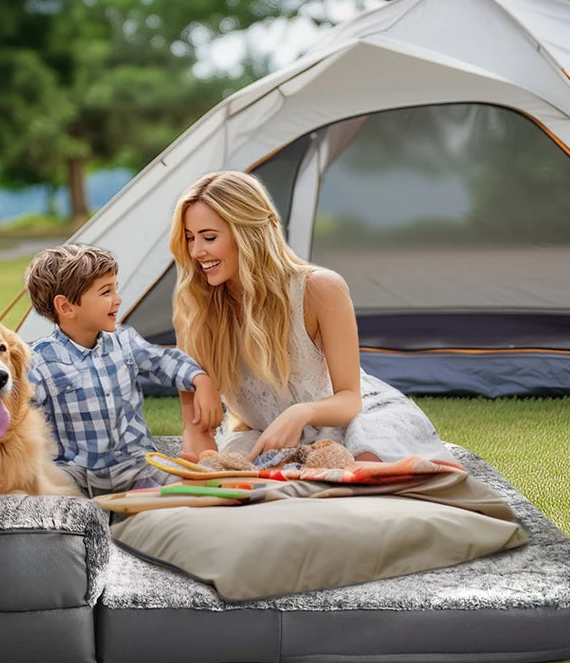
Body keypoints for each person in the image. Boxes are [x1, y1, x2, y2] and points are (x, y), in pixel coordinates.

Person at [169, 171, 449, 464]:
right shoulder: (196, 313)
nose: (196, 251)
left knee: (362, 464)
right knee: (231, 472)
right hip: (269, 434)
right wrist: (200, 466)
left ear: (248, 233)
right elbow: (196, 429)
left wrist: (301, 412)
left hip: (361, 420)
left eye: (209, 237)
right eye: (189, 238)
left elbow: (351, 399)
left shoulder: (319, 289)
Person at [25, 243, 222, 497]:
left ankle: (153, 495)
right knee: (53, 495)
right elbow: (21, 416)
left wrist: (200, 380)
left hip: (136, 466)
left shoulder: (123, 340)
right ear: (66, 307)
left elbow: (164, 361)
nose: (118, 299)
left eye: (115, 289)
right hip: (76, 473)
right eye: (106, 292)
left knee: (198, 485)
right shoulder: (39, 360)